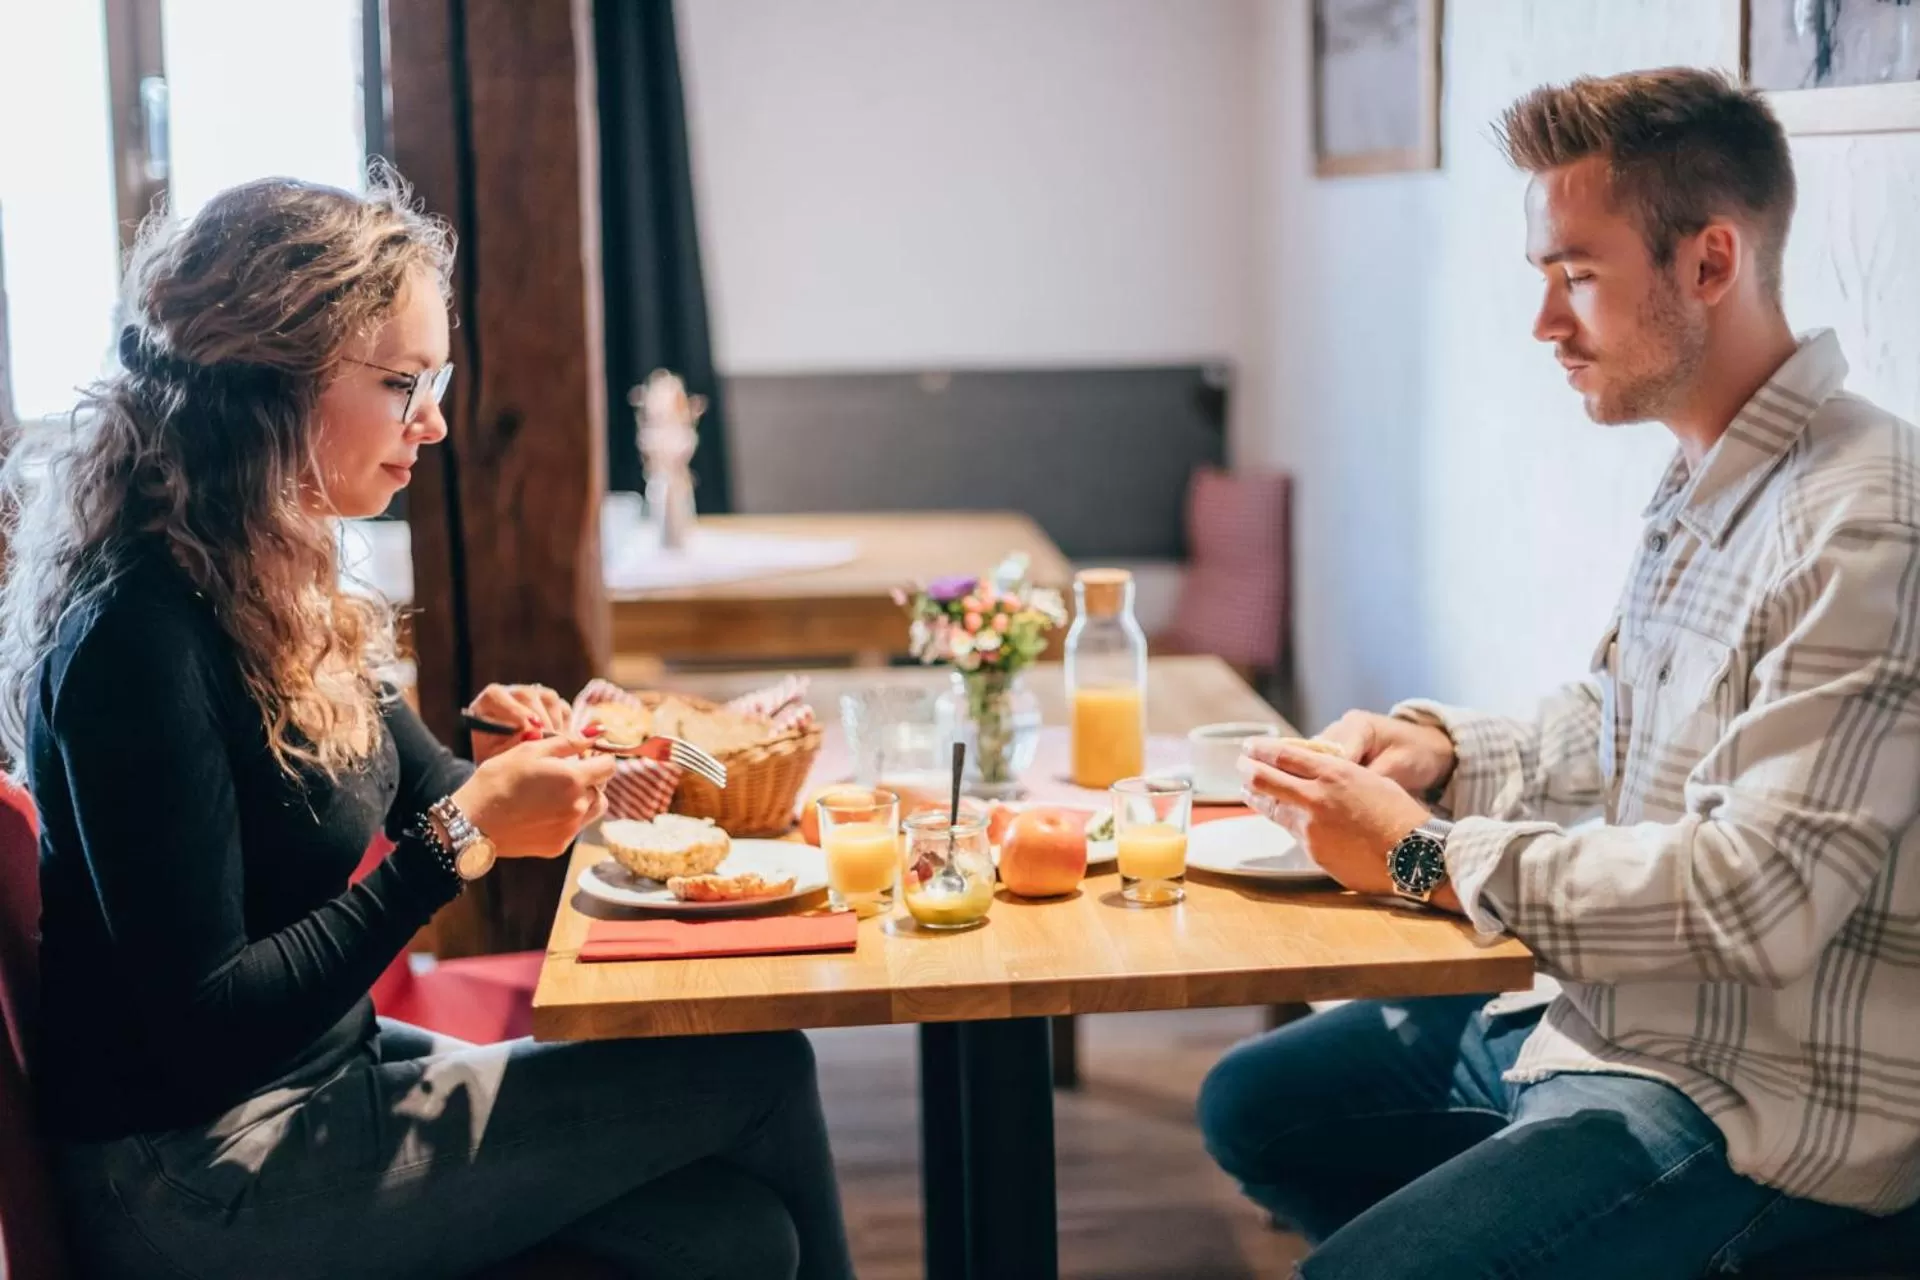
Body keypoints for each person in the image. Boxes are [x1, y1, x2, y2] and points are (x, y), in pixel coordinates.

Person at [0, 173, 855, 1280]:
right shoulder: (139, 636)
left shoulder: (281, 574)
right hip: (195, 1170)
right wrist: (462, 836)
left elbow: (432, 783)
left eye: (434, 378)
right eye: (404, 382)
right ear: (272, 385)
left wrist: (568, 766)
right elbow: (207, 1020)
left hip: (323, 1083)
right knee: (760, 1070)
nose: (437, 420)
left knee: (739, 1238)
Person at [1201, 68, 1920, 1278]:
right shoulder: (1709, 469)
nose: (1545, 324)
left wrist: (1422, 852)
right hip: (1611, 1017)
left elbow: (1756, 897)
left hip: (1761, 1102)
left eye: (1576, 277)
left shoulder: (1865, 523)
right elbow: (1625, 716)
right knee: (1254, 1103)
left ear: (1709, 262)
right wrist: (1448, 752)